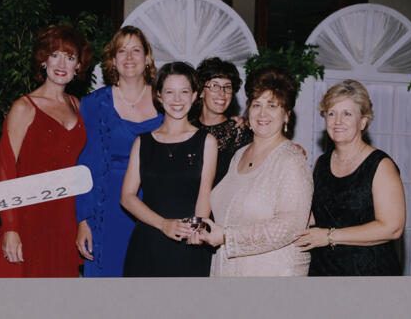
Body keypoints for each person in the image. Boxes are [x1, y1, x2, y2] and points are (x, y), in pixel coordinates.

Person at [0, 24, 93, 277]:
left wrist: (85, 219)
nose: (62, 63)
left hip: (67, 222)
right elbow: (6, 170)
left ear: (78, 66)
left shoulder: (80, 108)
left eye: (70, 57)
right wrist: (11, 228)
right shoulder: (24, 108)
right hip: (29, 220)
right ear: (43, 60)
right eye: (55, 54)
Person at [198, 66, 313, 277]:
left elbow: (290, 226)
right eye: (256, 104)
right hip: (227, 271)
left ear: (286, 115)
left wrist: (228, 237)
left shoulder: (292, 160)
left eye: (272, 106)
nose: (262, 113)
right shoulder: (239, 155)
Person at [75, 26, 163, 277]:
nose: (129, 57)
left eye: (136, 50)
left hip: (154, 208)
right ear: (113, 59)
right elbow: (85, 164)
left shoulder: (165, 101)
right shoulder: (93, 104)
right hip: (107, 211)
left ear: (147, 58)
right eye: (121, 51)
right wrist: (83, 220)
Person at [294, 79, 406, 276]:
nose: (337, 121)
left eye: (347, 114)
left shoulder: (381, 165)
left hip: (369, 273)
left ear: (363, 121)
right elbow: (317, 215)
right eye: (331, 113)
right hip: (323, 271)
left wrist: (329, 236)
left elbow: (392, 228)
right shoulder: (321, 163)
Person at [121, 61, 218, 277]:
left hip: (188, 244)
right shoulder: (143, 142)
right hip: (148, 242)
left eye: (184, 92)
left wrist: (197, 230)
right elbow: (127, 197)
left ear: (194, 96)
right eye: (170, 92)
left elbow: (205, 195)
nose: (177, 99)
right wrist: (163, 224)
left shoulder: (207, 141)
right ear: (159, 96)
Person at [191, 57, 253, 186]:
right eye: (214, 86)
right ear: (201, 91)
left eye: (227, 87)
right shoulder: (188, 128)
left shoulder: (240, 132)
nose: (222, 93)